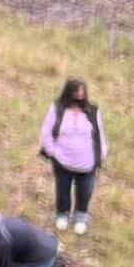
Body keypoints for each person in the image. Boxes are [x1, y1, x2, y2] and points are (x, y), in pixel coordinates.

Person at [38, 77, 106, 236]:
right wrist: (52, 151)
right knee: (62, 189)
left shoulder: (92, 110)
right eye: (76, 91)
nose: (80, 94)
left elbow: (99, 133)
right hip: (63, 161)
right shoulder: (57, 109)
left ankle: (81, 217)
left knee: (85, 191)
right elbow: (46, 132)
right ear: (69, 91)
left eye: (82, 90)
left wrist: (102, 152)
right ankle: (62, 214)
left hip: (87, 162)